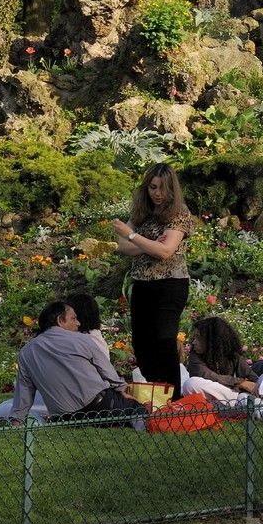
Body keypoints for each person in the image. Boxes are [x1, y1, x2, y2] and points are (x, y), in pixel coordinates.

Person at [112, 163, 197, 397]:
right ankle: (156, 397)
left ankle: (174, 400)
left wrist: (133, 236)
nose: (157, 193)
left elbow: (165, 252)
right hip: (142, 285)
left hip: (170, 284)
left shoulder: (179, 213)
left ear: (172, 189)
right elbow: (123, 248)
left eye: (162, 188)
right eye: (152, 187)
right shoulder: (141, 212)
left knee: (163, 341)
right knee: (142, 344)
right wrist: (149, 244)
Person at [10, 300, 146, 427]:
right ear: (60, 321)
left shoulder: (26, 352)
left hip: (63, 418)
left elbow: (24, 391)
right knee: (138, 409)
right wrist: (122, 391)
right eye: (74, 318)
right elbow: (108, 372)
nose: (78, 323)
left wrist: (16, 421)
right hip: (98, 407)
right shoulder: (82, 339)